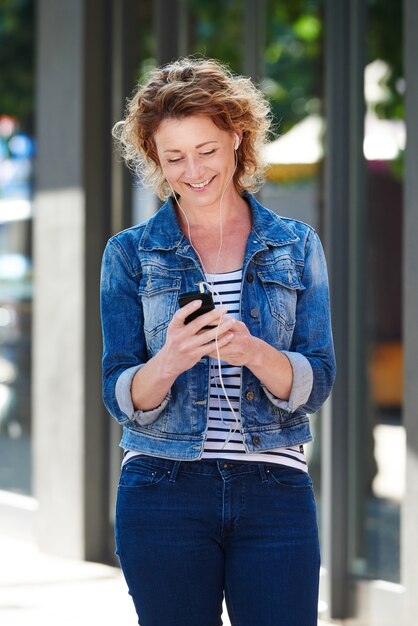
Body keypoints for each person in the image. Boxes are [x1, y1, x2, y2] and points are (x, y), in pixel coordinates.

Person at [100, 57, 336, 626]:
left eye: (205, 150)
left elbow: (317, 381)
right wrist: (172, 359)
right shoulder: (130, 253)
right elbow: (120, 392)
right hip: (162, 490)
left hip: (274, 488)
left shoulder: (295, 246)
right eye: (173, 156)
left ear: (236, 137)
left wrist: (254, 351)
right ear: (155, 158)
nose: (193, 170)